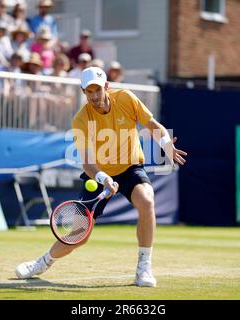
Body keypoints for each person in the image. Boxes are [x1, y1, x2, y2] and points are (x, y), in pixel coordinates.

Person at [15, 67, 187, 287]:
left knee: (146, 200)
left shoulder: (126, 98)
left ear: (107, 87)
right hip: (99, 176)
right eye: (89, 91)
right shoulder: (80, 120)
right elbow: (87, 163)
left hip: (130, 168)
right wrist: (104, 179)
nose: (94, 96)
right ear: (83, 92)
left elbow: (154, 126)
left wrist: (166, 145)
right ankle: (41, 263)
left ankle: (144, 268)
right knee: (79, 235)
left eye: (97, 89)